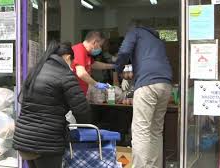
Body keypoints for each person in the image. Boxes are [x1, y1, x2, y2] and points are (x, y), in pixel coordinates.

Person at [13, 41, 91, 168]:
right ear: (67, 57)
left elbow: (22, 100)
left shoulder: (35, 71)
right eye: (72, 61)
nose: (72, 66)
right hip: (46, 143)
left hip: (24, 139)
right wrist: (85, 131)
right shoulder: (65, 75)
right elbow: (82, 109)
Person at [115, 24, 173, 168]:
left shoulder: (134, 31)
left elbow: (124, 52)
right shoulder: (157, 40)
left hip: (147, 84)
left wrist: (118, 69)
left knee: (141, 131)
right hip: (165, 84)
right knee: (156, 131)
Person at [71, 31, 115, 95]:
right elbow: (81, 73)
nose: (100, 48)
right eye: (100, 45)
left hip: (80, 92)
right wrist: (96, 84)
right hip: (75, 92)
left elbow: (93, 64)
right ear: (94, 42)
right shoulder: (79, 50)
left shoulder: (86, 53)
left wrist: (113, 66)